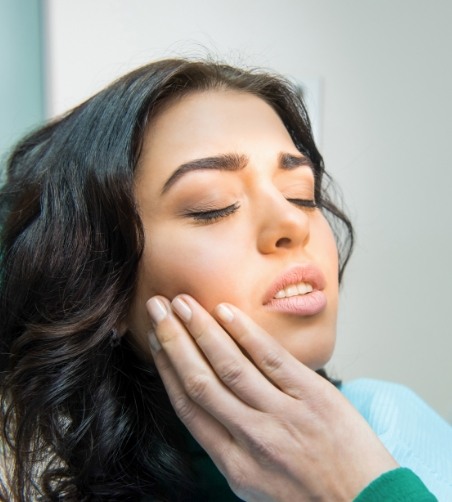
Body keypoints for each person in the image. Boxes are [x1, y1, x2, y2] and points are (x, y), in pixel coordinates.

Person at [0, 58, 449, 501]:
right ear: (104, 290)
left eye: (301, 194)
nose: (292, 219)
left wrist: (361, 489)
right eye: (211, 206)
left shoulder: (398, 425)